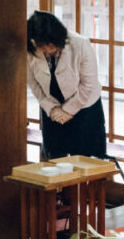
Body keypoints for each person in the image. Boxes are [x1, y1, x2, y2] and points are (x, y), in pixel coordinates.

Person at [24, 11, 107, 160]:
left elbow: (89, 85)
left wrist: (67, 111)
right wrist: (52, 109)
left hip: (85, 109)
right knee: (55, 159)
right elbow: (34, 84)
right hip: (53, 111)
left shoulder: (80, 44)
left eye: (50, 45)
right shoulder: (30, 47)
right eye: (43, 47)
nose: (48, 50)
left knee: (86, 164)